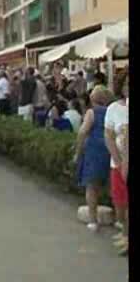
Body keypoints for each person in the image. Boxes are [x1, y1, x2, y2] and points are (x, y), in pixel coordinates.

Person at [74, 86, 111, 232]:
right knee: (111, 186)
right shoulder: (111, 111)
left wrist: (78, 152)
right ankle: (121, 220)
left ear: (92, 98)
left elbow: (82, 132)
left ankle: (93, 220)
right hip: (110, 150)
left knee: (91, 186)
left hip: (94, 150)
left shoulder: (91, 113)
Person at [104, 72, 129, 256]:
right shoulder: (113, 108)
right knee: (120, 204)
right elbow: (109, 136)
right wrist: (120, 162)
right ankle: (124, 232)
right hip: (118, 164)